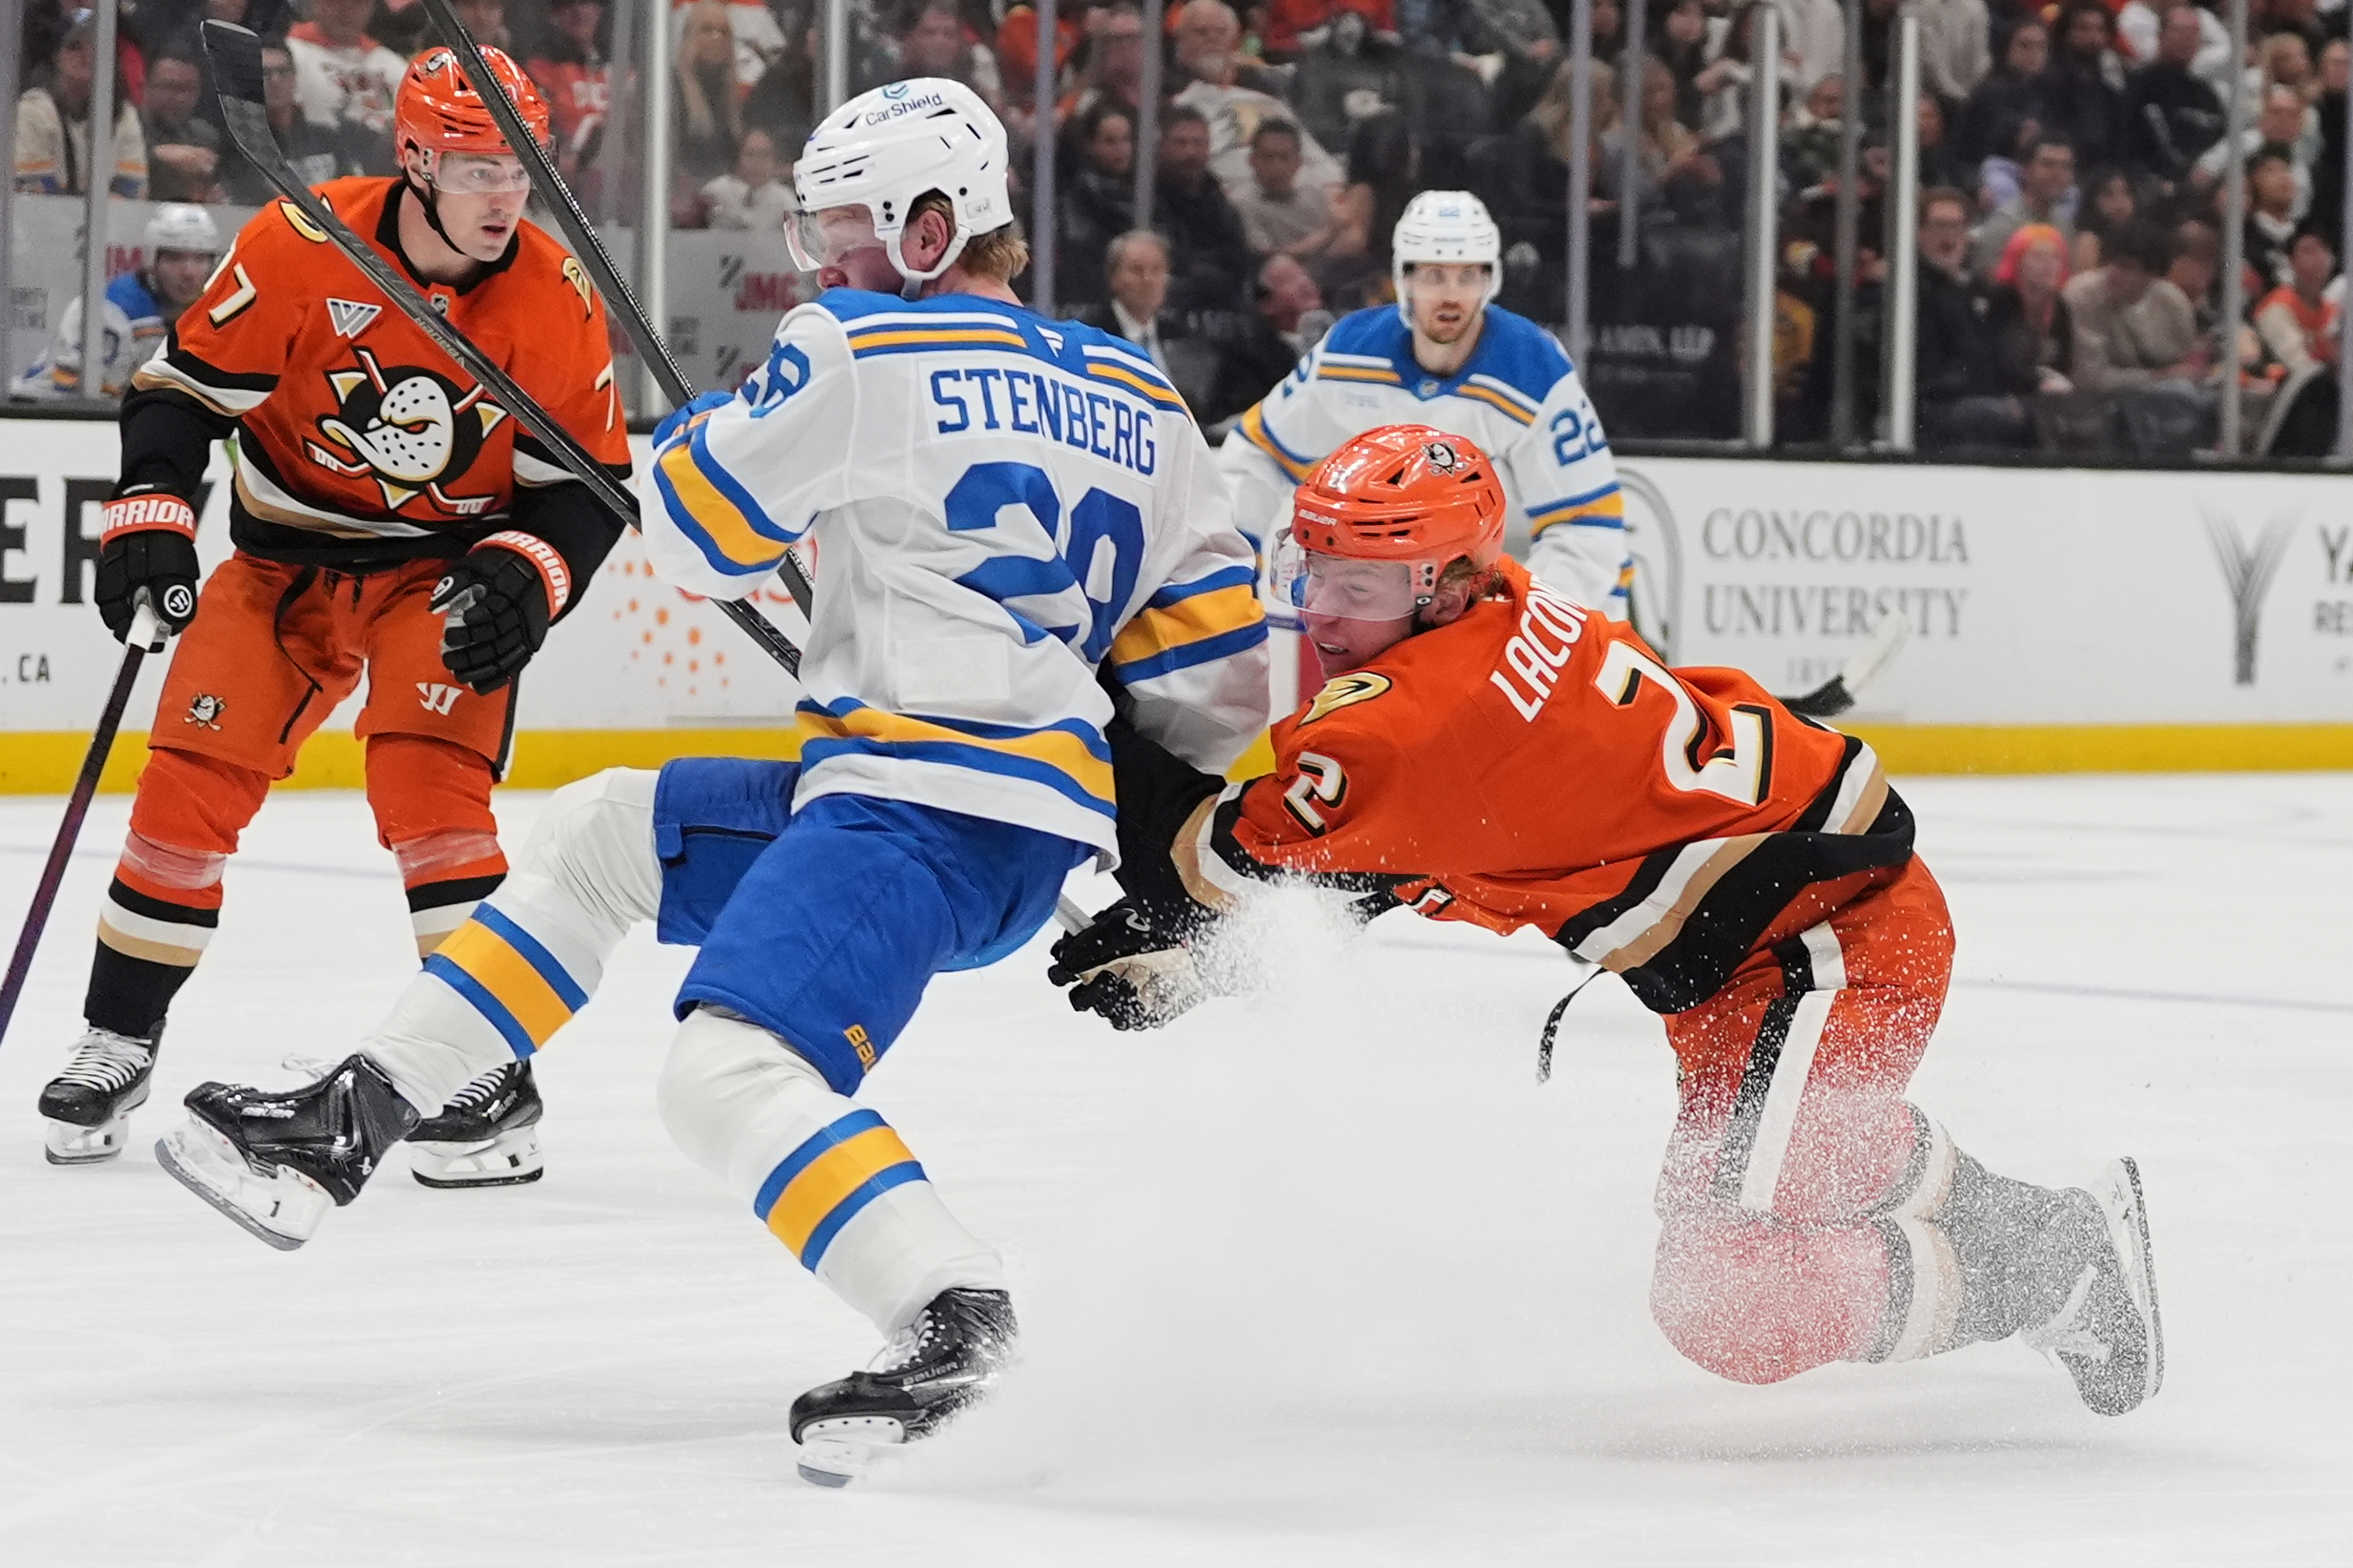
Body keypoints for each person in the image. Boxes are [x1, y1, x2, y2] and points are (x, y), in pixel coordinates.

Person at [154, 76, 1271, 1487]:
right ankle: (351, 1119)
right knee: (610, 827)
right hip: (1014, 817)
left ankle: (955, 1314)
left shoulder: (862, 341)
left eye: (847, 228)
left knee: (728, 1071)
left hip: (913, 802)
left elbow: (696, 529)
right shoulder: (1141, 395)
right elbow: (1219, 689)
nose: (823, 259)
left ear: (933, 226)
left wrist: (703, 456)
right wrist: (1196, 899)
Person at [1049, 423, 2164, 1424]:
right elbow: (1382, 866)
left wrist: (1051, 700)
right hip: (1762, 953)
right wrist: (1207, 963)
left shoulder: (1410, 722)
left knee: (1728, 1298)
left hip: (1830, 946)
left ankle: (2051, 1264)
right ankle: (2031, 1223)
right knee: (1746, 1212)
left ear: (1441, 585)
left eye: (1357, 582)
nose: (1319, 611)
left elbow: (1197, 861)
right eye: (1311, 568)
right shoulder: (1499, 608)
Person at [37, 48, 630, 1182]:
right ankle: (120, 1029)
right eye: (471, 163)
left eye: (519, 164)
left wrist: (530, 571)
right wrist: (153, 511)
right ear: (412, 157)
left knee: (433, 797)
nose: (503, 192)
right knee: (185, 789)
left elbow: (588, 491)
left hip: (439, 570)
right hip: (283, 565)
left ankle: (482, 1072)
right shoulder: (305, 243)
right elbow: (181, 391)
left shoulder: (555, 296)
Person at [1220, 191, 1632, 620]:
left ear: (1491, 281)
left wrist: (1507, 628)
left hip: (1544, 613)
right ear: (1404, 280)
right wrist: (1231, 571)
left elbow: (1588, 530)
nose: (1452, 296)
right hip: (1411, 604)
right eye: (1434, 276)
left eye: (1468, 276)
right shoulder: (1350, 352)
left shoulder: (1534, 370)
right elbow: (1257, 456)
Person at [12, 205, 220, 401]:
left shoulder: (216, 314)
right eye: (174, 258)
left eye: (200, 259)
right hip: (40, 416)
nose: (189, 272)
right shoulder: (110, 311)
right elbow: (78, 398)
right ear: (151, 261)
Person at [14, 7, 149, 197]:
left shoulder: (124, 114)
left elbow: (133, 192)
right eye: (74, 46)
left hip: (109, 226)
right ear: (56, 56)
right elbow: (33, 193)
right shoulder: (33, 111)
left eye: (97, 45)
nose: (87, 55)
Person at [286, 0, 409, 170]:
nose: (346, 12)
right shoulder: (291, 54)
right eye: (336, 3)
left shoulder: (392, 64)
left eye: (357, 4)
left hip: (386, 168)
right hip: (321, 163)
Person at [1972, 134, 2076, 274]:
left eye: (2065, 166)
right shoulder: (2005, 223)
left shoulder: (2064, 225)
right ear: (2026, 171)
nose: (2057, 173)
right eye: (2048, 164)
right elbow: (1988, 281)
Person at [141, 47, 227, 203]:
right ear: (147, 87)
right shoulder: (129, 124)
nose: (180, 98)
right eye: (170, 87)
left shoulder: (204, 135)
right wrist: (157, 154)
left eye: (188, 89)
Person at [700, 124, 795, 230]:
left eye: (764, 156)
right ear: (737, 157)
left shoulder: (785, 200)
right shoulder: (714, 192)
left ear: (775, 161)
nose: (757, 163)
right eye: (750, 155)